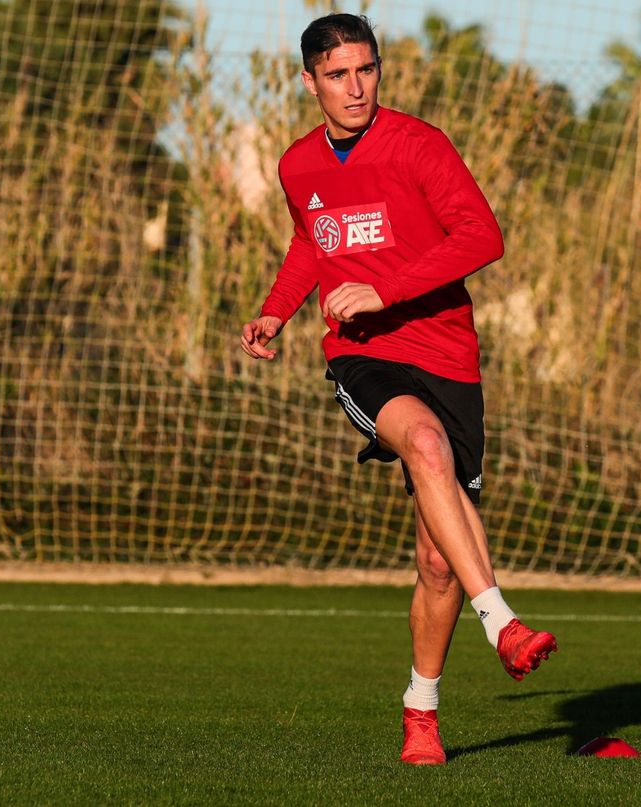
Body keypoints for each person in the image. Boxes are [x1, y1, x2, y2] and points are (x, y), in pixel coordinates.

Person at [239, 13, 557, 765]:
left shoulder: (418, 144)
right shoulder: (297, 166)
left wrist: (383, 287)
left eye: (367, 70)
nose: (356, 87)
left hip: (448, 355)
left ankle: (421, 711)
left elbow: (482, 235)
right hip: (366, 356)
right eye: (339, 74)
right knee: (421, 440)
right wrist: (277, 310)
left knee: (438, 561)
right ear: (310, 80)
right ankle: (503, 622)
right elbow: (308, 242)